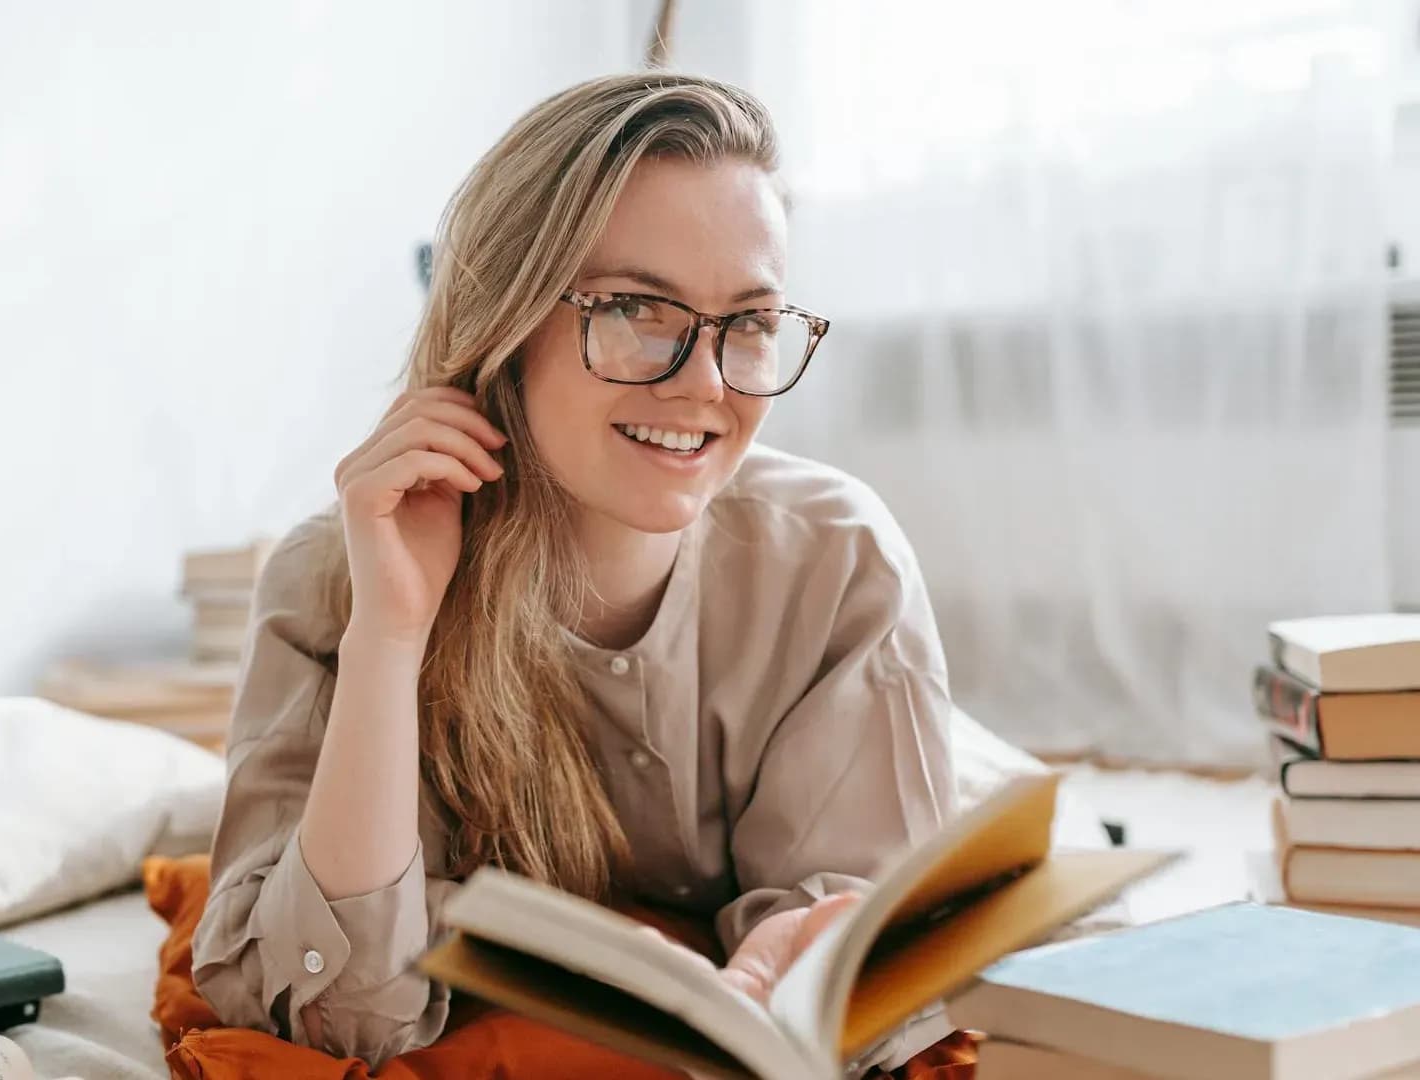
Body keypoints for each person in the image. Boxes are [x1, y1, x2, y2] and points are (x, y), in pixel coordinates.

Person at [192, 70, 956, 1074]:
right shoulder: (333, 578)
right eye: (641, 308)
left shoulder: (837, 561)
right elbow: (335, 1014)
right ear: (502, 321)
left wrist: (797, 977)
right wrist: (390, 637)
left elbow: (867, 982)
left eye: (754, 322)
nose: (706, 385)